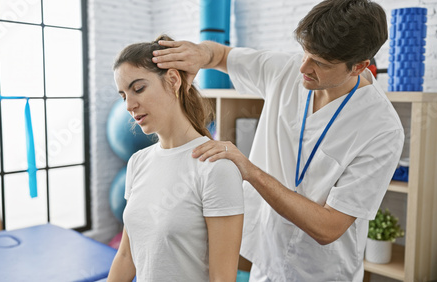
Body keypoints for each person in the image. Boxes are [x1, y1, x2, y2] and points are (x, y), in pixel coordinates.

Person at [151, 0, 405, 281]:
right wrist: (200, 53)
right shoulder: (287, 69)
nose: (303, 67)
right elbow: (221, 55)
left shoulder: (382, 129)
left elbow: (329, 227)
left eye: (319, 63)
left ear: (359, 67)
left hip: (323, 272)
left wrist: (250, 171)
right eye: (305, 53)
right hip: (266, 259)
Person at [107, 35, 244, 282]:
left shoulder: (215, 168)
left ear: (172, 80)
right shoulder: (138, 162)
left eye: (138, 89)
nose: (129, 105)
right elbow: (127, 256)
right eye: (123, 95)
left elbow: (222, 278)